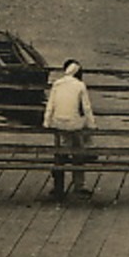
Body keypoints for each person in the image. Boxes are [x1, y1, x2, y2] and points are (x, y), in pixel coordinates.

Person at [43, 60, 97, 199]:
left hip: (58, 123)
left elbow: (50, 105)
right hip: (73, 125)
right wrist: (92, 125)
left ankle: (58, 185)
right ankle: (79, 185)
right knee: (78, 147)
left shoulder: (57, 84)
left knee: (62, 147)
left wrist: (47, 121)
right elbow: (86, 108)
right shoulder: (80, 86)